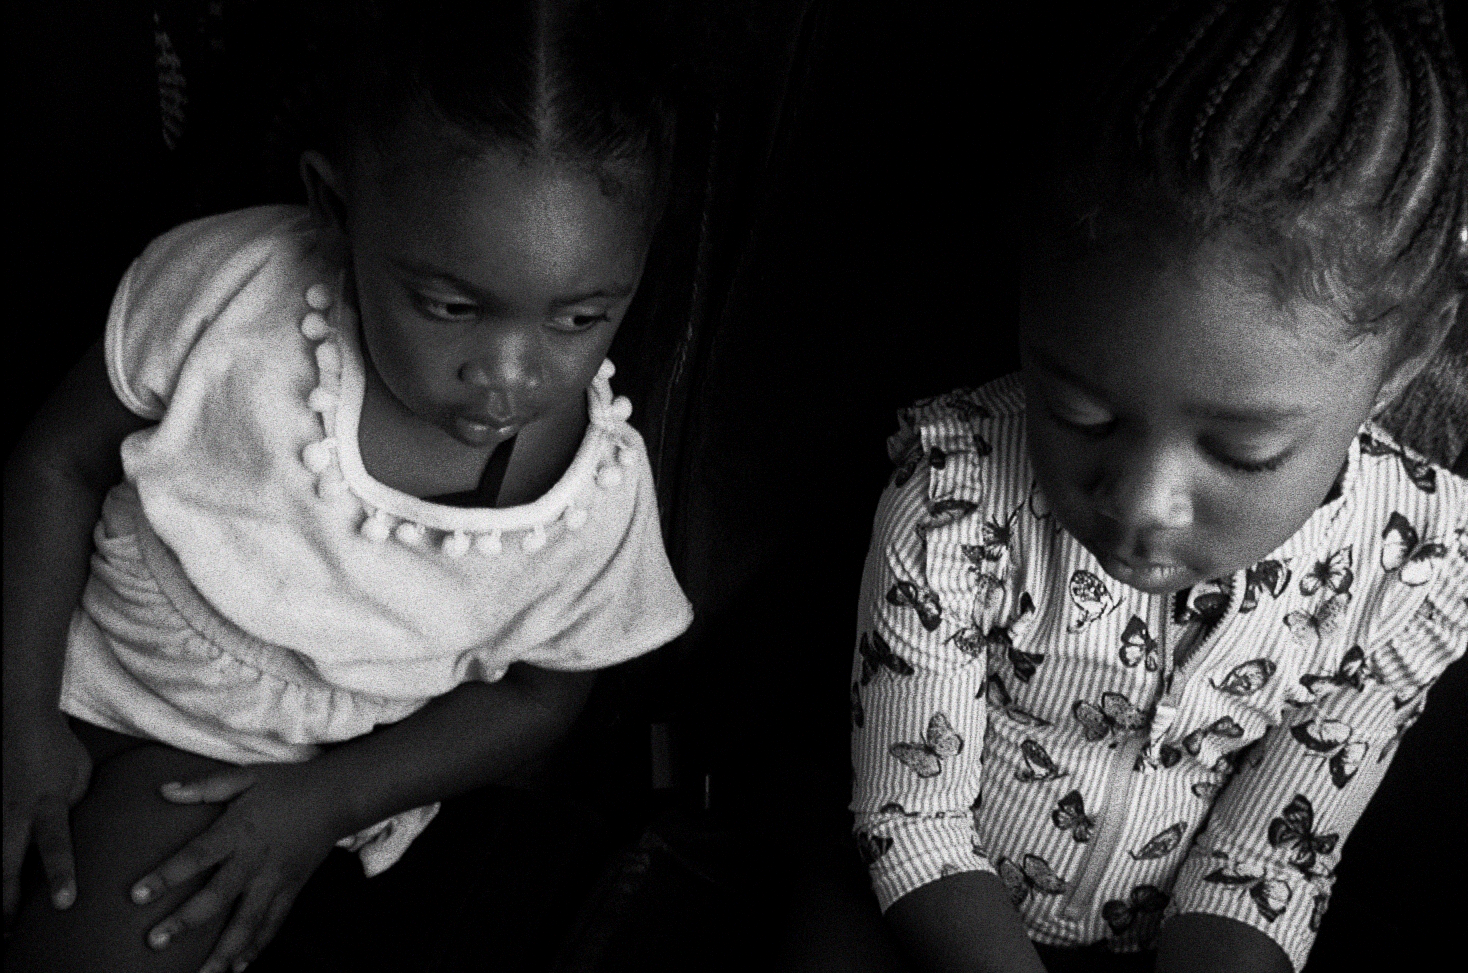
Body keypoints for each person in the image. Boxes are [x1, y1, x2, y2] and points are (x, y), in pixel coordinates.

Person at [2, 3, 692, 971]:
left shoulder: (590, 500)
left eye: (580, 317)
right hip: (43, 634)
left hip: (232, 776)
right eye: (448, 306)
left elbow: (540, 696)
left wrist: (328, 802)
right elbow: (56, 462)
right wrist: (21, 713)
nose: (509, 372)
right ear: (336, 204)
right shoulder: (231, 296)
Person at [849, 1, 1467, 971]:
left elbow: (1264, 865)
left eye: (1242, 453)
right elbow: (909, 818)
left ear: (1402, 361)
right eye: (1079, 414)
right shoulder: (955, 503)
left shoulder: (1413, 573)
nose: (1138, 507)